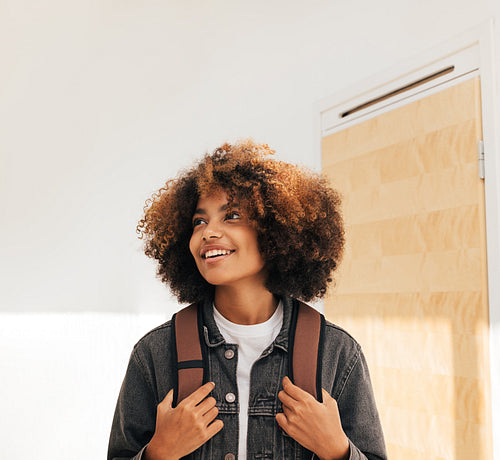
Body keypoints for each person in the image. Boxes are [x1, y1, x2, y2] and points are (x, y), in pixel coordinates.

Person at [108, 140, 387, 460]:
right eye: (200, 221)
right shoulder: (155, 353)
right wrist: (159, 453)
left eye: (232, 216)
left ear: (275, 231)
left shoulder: (337, 352)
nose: (208, 232)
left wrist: (336, 450)